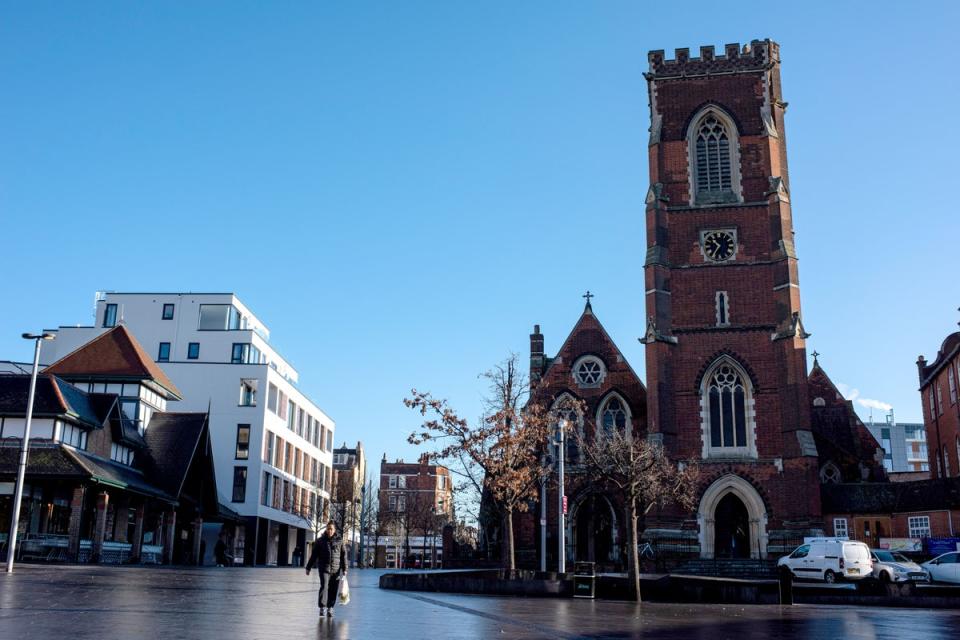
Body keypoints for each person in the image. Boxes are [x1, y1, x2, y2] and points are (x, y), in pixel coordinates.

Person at [306, 521, 347, 618]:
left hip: (336, 570)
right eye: (328, 529)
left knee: (333, 589)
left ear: (334, 530)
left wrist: (345, 569)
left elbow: (344, 556)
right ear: (326, 529)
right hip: (324, 568)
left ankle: (330, 608)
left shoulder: (340, 541)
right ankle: (322, 607)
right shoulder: (320, 541)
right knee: (324, 587)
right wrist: (308, 567)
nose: (330, 531)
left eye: (331, 529)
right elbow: (314, 555)